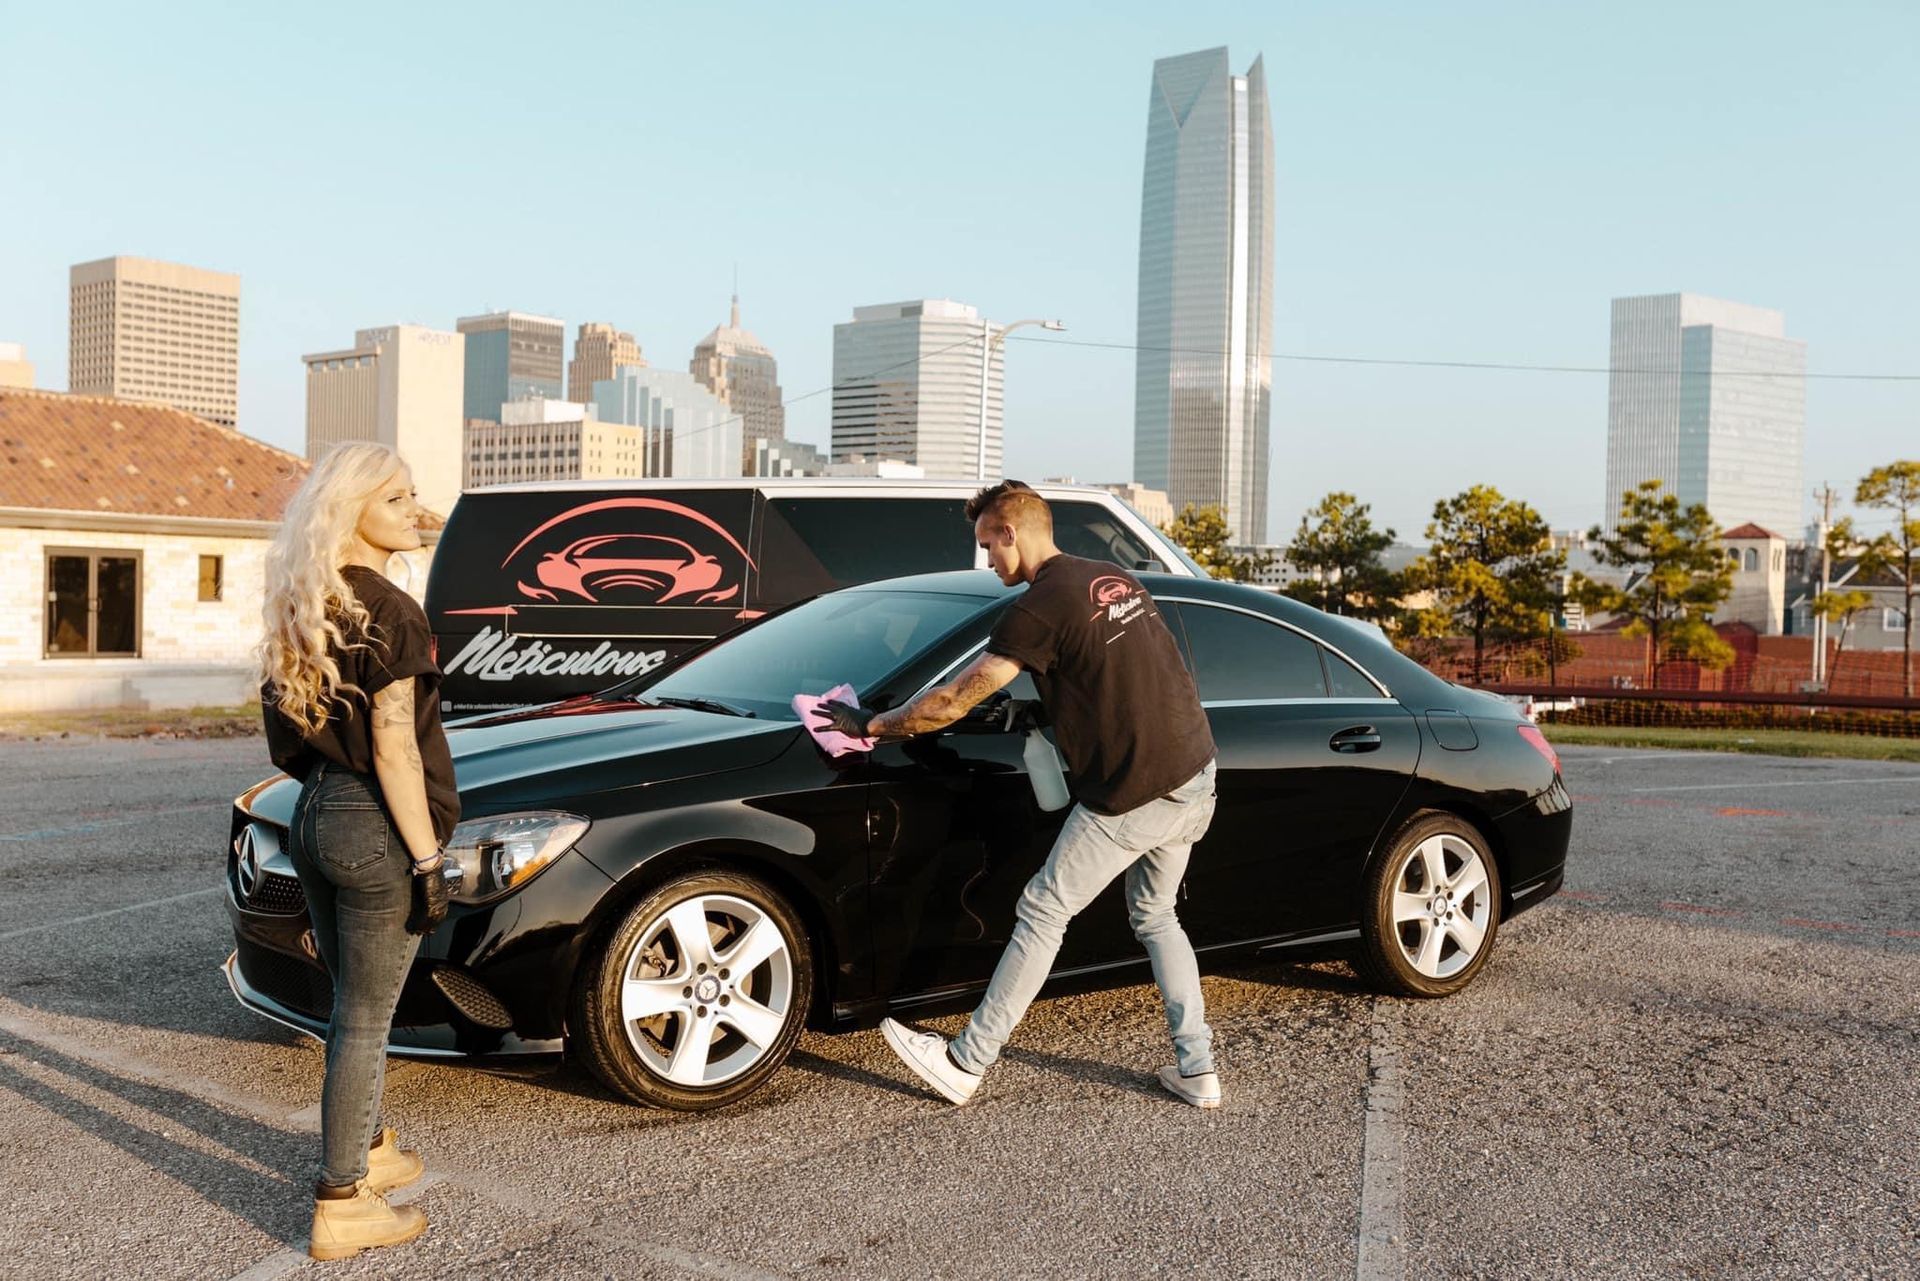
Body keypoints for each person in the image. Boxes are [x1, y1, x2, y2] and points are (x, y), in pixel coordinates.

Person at [811, 480, 1223, 1108]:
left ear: (1011, 531)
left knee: (1043, 911)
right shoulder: (1110, 580)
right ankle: (1197, 1070)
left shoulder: (1039, 606)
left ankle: (965, 1061)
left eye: (988, 545)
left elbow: (950, 701)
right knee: (1156, 916)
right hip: (1194, 773)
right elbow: (1117, 674)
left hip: (1132, 792)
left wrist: (866, 725)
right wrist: (1042, 711)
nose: (988, 560)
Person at [258, 443, 460, 1260]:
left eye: (416, 495)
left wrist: (415, 519)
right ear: (352, 510)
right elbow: (394, 748)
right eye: (396, 498)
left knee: (351, 1001)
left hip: (312, 810)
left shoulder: (304, 600)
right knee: (366, 1019)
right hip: (374, 821)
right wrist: (427, 859)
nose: (414, 509)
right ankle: (342, 1199)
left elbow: (291, 737)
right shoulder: (392, 612)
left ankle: (371, 1146)